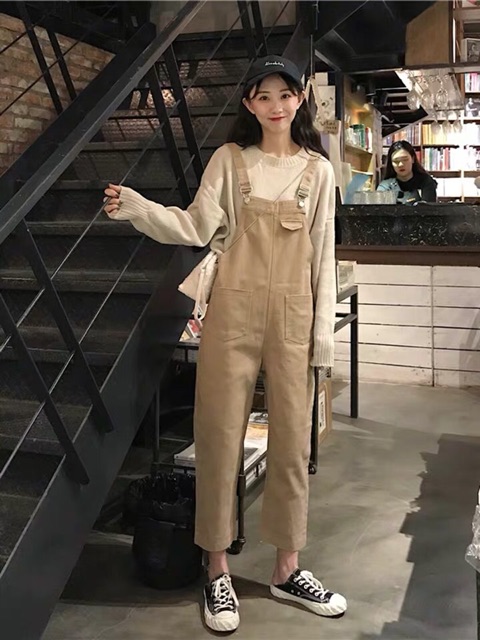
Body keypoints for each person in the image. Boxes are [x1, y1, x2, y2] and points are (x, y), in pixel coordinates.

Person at [103, 55, 347, 632]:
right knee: (217, 438)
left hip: (294, 315)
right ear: (249, 104)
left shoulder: (318, 170)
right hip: (231, 314)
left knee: (293, 442)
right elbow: (194, 226)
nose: (276, 106)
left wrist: (323, 336)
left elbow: (324, 254)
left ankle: (287, 568)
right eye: (263, 96)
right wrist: (139, 209)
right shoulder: (229, 160)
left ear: (301, 98)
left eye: (285, 94)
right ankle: (216, 570)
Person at [377, 140, 437, 204]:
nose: (401, 164)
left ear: (413, 159)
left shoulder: (426, 182)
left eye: (405, 159)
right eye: (396, 161)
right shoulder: (385, 186)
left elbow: (429, 208)